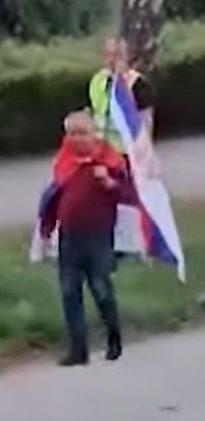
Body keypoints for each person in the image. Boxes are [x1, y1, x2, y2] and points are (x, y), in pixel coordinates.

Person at [39, 112, 135, 366]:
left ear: (94, 134)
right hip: (69, 237)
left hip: (97, 236)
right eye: (71, 133)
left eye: (82, 133)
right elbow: (53, 197)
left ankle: (113, 337)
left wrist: (109, 183)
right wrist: (46, 229)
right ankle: (78, 349)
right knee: (70, 292)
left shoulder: (109, 162)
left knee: (101, 288)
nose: (76, 139)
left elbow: (128, 194)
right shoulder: (64, 162)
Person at [88, 37, 155, 149]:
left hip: (129, 149)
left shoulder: (137, 83)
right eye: (108, 55)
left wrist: (143, 148)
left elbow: (146, 119)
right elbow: (95, 112)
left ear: (126, 56)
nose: (112, 59)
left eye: (117, 55)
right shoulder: (97, 80)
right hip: (103, 149)